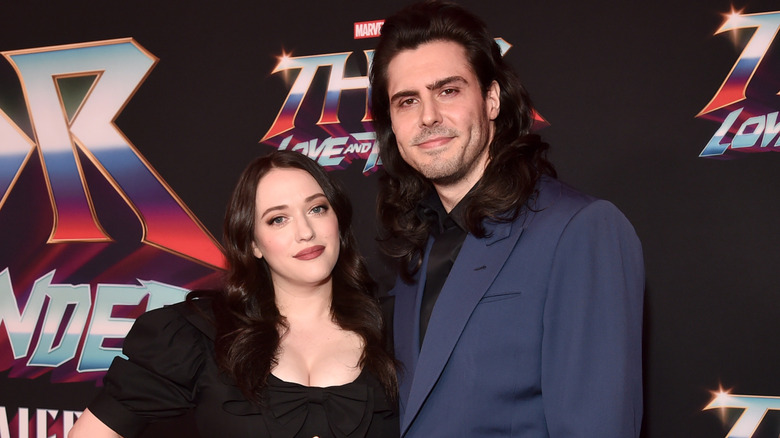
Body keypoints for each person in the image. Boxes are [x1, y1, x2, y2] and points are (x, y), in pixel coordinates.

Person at [369, 1, 644, 437]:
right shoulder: (415, 247)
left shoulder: (579, 229)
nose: (428, 117)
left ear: (492, 99)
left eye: (448, 91)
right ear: (392, 125)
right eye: (407, 101)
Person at [69, 150, 399, 438]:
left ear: (337, 220)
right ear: (253, 243)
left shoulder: (398, 329)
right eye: (278, 219)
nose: (306, 232)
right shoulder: (198, 336)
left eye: (317, 209)